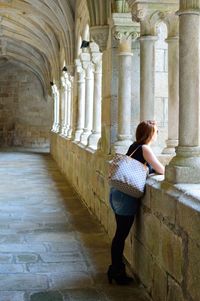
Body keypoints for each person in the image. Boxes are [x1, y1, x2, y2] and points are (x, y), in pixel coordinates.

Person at [107, 120, 164, 285]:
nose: (157, 134)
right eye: (156, 131)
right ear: (149, 133)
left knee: (119, 234)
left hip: (117, 193)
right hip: (126, 197)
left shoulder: (134, 146)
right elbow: (161, 170)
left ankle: (115, 268)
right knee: (120, 236)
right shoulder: (145, 148)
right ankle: (116, 271)